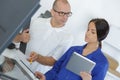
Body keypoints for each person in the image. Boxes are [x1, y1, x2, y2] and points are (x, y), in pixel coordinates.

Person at [34, 18, 110, 80]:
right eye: (88, 29)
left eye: (92, 32)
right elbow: (56, 69)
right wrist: (45, 77)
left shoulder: (102, 63)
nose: (87, 33)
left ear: (100, 36)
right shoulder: (73, 50)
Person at [26, 0, 73, 74]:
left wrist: (38, 57)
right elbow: (21, 40)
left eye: (68, 14)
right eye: (61, 13)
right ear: (52, 12)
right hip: (17, 64)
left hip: (36, 74)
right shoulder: (37, 21)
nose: (65, 17)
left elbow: (53, 61)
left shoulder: (67, 37)